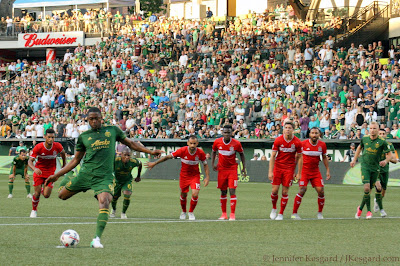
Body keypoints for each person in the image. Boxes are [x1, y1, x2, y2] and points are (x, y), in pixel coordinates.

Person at [45, 107, 163, 248]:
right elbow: (75, 160)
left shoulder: (112, 131)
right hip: (85, 174)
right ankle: (72, 179)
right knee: (61, 196)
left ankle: (96, 239)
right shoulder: (84, 137)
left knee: (105, 200)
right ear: (87, 120)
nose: (94, 121)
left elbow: (131, 144)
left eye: (97, 118)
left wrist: (150, 151)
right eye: (91, 119)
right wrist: (57, 175)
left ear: (102, 118)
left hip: (104, 178)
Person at [146, 135, 210, 220]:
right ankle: (183, 212)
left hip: (195, 176)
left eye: (194, 143)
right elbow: (167, 157)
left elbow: (205, 164)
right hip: (184, 176)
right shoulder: (182, 150)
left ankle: (191, 212)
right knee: (183, 194)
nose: (192, 145)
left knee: (195, 194)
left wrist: (207, 177)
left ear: (197, 143)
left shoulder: (200, 153)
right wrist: (154, 163)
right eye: (191, 143)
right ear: (188, 143)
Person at [350, 122, 392, 219]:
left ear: (378, 129)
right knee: (366, 188)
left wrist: (386, 161)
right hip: (365, 166)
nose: (372, 130)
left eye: (374, 128)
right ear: (368, 129)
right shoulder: (365, 139)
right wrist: (354, 160)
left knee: (371, 190)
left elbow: (390, 155)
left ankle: (360, 208)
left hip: (376, 168)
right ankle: (369, 211)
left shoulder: (382, 142)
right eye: (371, 128)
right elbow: (359, 148)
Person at [291, 127, 330, 220]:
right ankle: (294, 213)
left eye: (316, 133)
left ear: (319, 135)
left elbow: (324, 157)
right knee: (302, 190)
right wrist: (294, 172)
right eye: (312, 133)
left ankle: (320, 213)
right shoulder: (303, 144)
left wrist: (328, 170)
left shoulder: (322, 145)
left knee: (321, 191)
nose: (314, 135)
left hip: (315, 171)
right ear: (309, 134)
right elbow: (297, 157)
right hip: (304, 171)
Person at [28, 129, 66, 218]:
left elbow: (63, 154)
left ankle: (42, 189)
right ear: (45, 137)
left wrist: (64, 167)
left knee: (46, 195)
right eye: (49, 137)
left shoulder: (57, 146)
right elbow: (30, 161)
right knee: (37, 194)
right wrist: (34, 168)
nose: (51, 139)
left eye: (52, 137)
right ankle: (34, 210)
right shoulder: (38, 147)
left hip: (50, 173)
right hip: (39, 172)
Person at [269, 121, 302, 220]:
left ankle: (280, 213)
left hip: (289, 169)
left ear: (293, 130)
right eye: (286, 127)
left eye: (289, 128)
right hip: (278, 167)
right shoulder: (278, 140)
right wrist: (270, 171)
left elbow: (300, 158)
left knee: (285, 192)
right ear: (283, 129)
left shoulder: (297, 142)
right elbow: (273, 156)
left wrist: (299, 173)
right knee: (274, 191)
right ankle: (274, 208)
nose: (287, 129)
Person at [211, 124, 246, 221]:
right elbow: (214, 151)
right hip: (221, 169)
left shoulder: (236, 143)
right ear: (222, 132)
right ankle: (224, 214)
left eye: (228, 133)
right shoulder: (217, 142)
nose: (226, 134)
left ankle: (232, 214)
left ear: (231, 133)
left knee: (232, 190)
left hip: (232, 169)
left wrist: (243, 167)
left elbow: (242, 155)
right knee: (223, 191)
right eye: (225, 132)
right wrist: (213, 163)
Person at [110, 147, 142, 219]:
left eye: (128, 155)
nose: (127, 157)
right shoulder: (115, 160)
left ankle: (123, 213)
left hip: (127, 180)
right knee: (114, 197)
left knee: (127, 195)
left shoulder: (133, 161)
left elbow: (140, 164)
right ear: (121, 155)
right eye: (125, 155)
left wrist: (138, 176)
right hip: (117, 181)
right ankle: (114, 210)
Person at [374, 129, 397, 216]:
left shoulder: (389, 145)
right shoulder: (374, 144)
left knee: (383, 191)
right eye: (380, 133)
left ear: (385, 135)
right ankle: (382, 210)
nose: (382, 135)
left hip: (385, 170)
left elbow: (394, 160)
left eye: (383, 134)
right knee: (378, 187)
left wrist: (388, 158)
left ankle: (377, 200)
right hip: (376, 170)